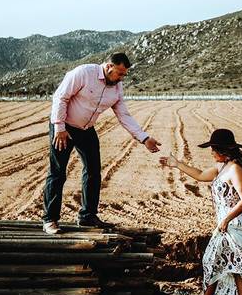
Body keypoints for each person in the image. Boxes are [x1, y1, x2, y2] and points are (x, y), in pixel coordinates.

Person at [43, 52, 161, 234]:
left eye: (124, 74)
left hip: (86, 129)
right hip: (64, 126)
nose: (122, 78)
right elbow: (61, 97)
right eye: (119, 73)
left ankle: (87, 216)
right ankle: (50, 219)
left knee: (93, 171)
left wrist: (144, 138)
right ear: (108, 67)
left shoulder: (117, 87)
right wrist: (59, 127)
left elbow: (124, 115)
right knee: (58, 172)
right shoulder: (83, 73)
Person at [159, 128, 242, 295]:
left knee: (227, 265)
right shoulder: (222, 167)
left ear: (223, 149)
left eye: (213, 148)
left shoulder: (235, 169)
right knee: (223, 264)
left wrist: (227, 219)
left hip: (236, 225)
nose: (211, 152)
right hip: (226, 225)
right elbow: (200, 175)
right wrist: (177, 164)